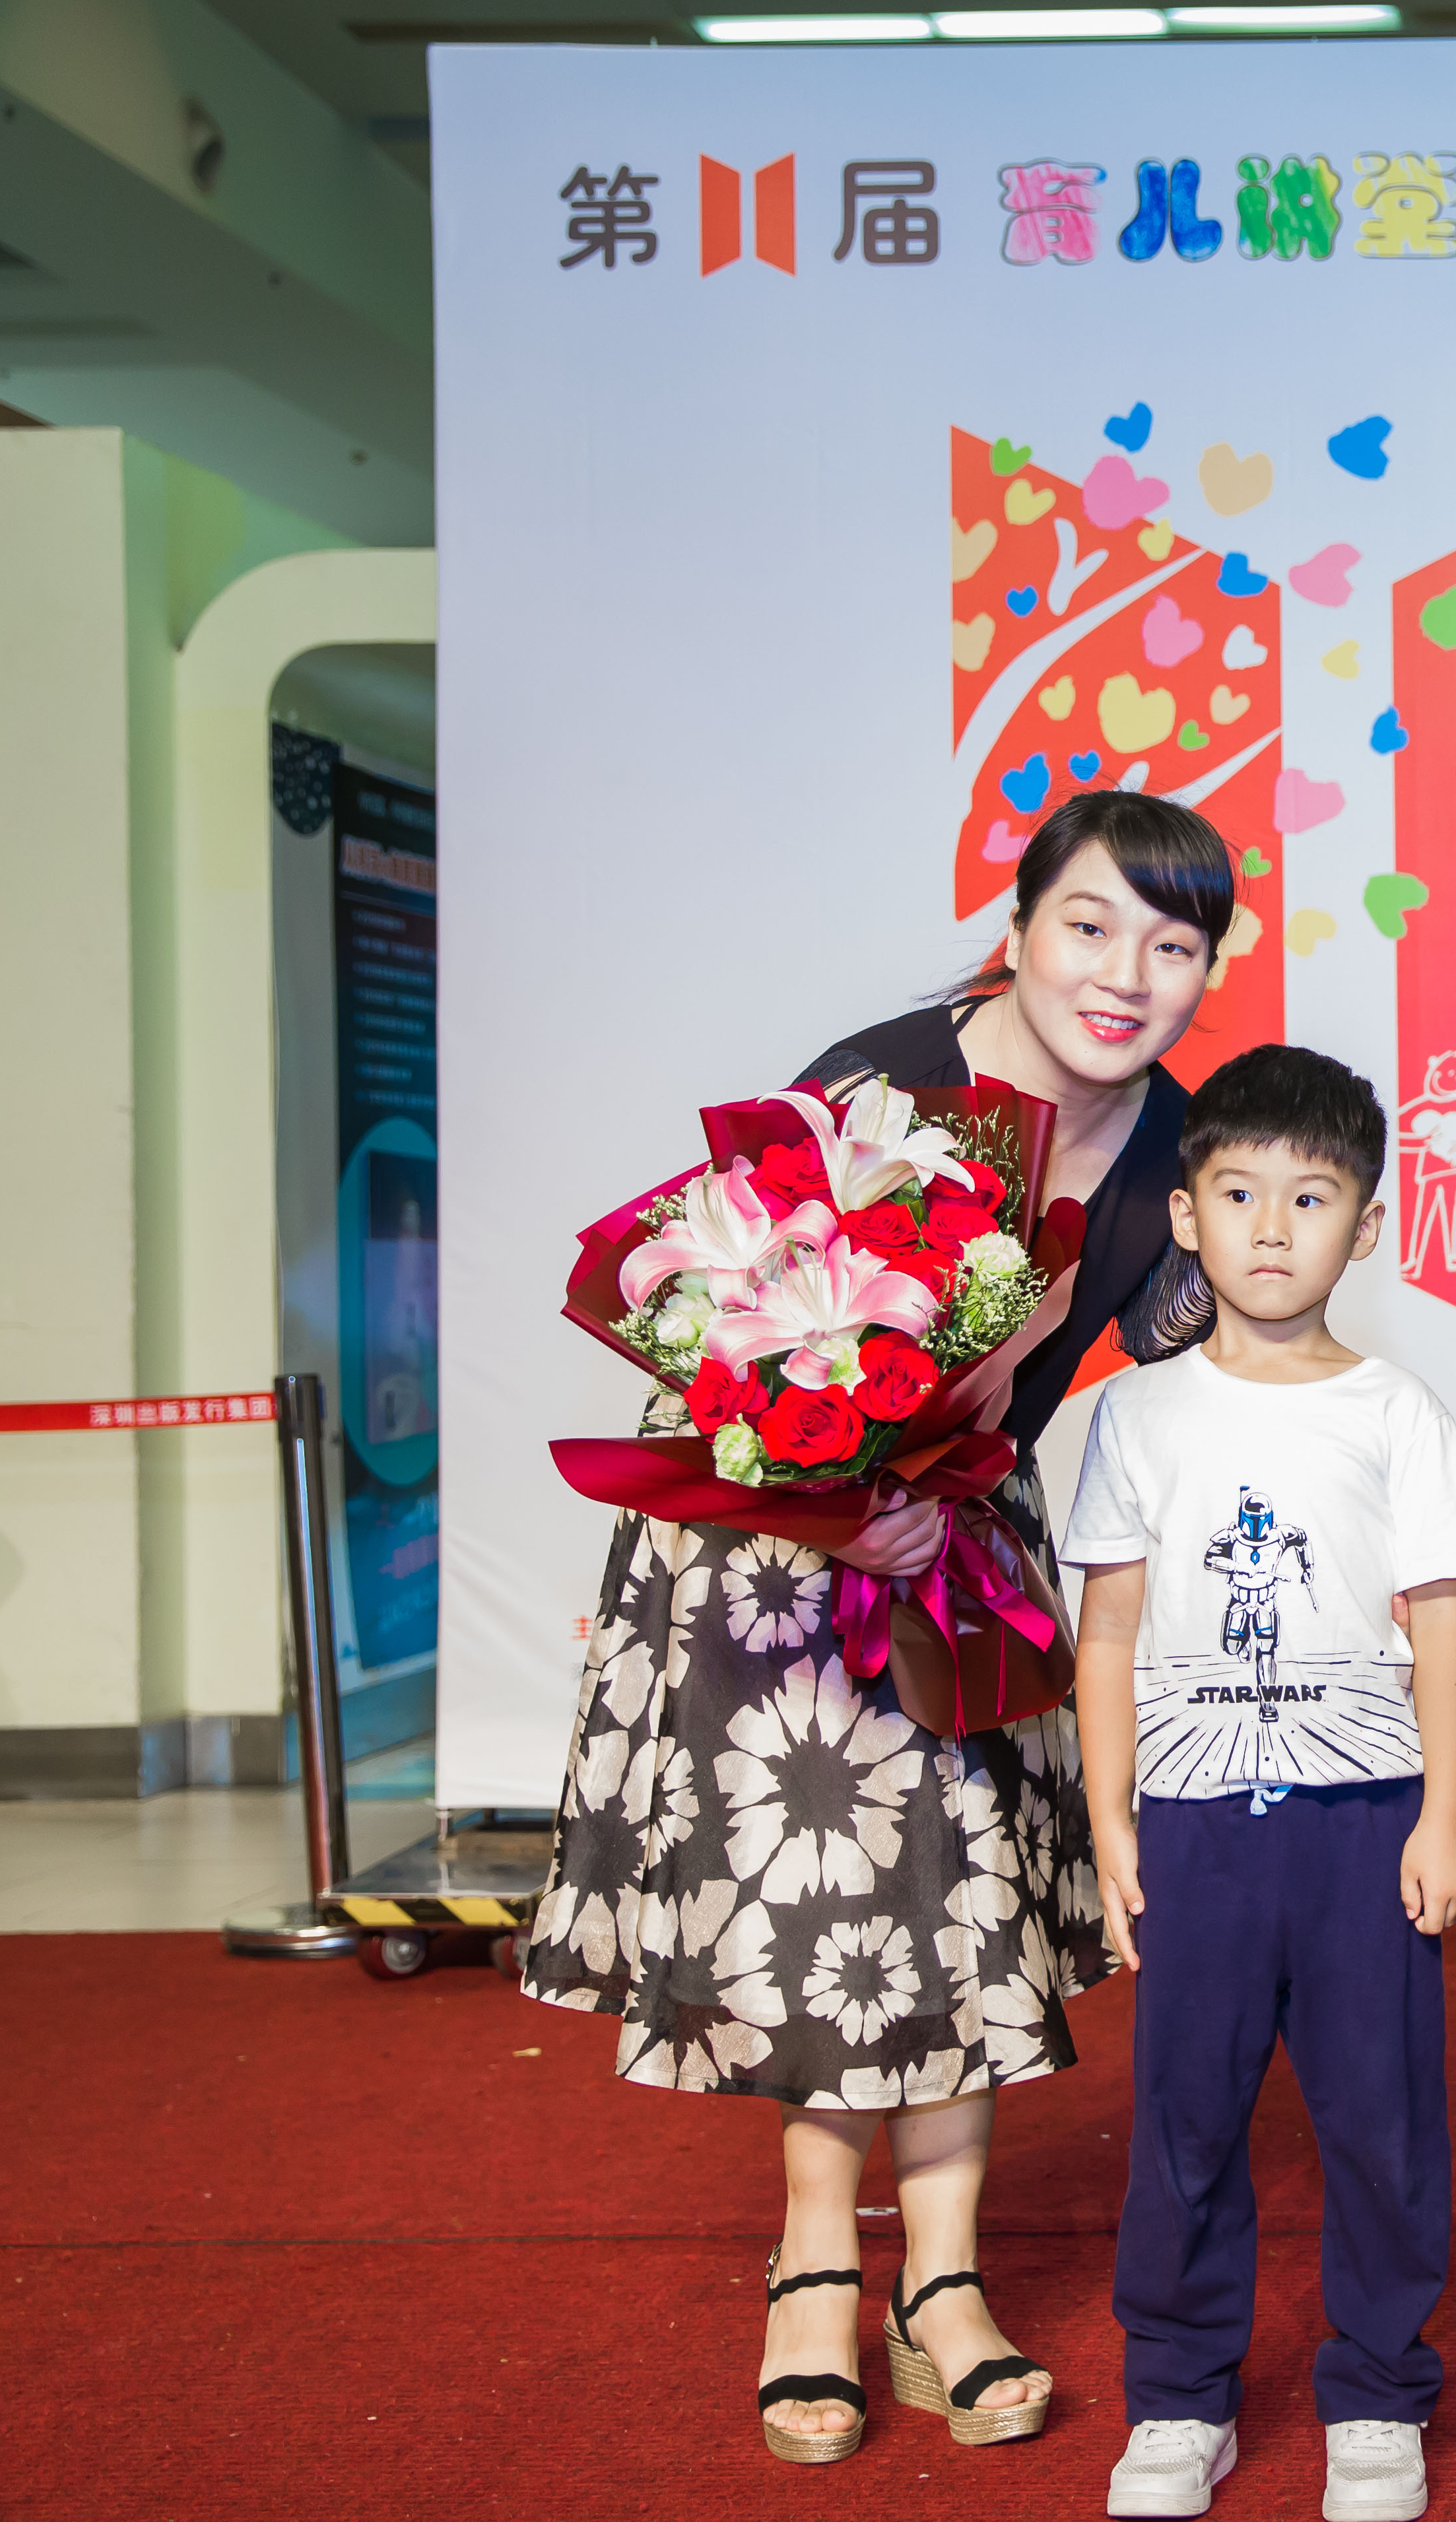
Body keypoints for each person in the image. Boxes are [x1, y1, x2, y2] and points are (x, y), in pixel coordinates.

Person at [521, 788, 1234, 2465]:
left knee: (954, 1902)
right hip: (770, 1534)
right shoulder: (881, 1086)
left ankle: (946, 2281)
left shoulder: (1176, 1152)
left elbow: (1204, 1356)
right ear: (1016, 928)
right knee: (821, 1904)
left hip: (961, 1532)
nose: (1125, 974)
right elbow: (718, 1315)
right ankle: (817, 2264)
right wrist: (833, 1503)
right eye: (1089, 926)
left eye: (1173, 945)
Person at [1067, 1044, 1456, 2522]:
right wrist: (1110, 1822)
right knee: (1184, 2119)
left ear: (1362, 1228)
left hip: (1364, 1822)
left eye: (1310, 1199)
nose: (1269, 1227)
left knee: (1382, 2119)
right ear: (1186, 1215)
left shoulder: (1398, 1411)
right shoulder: (1136, 1415)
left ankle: (1377, 2392)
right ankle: (1180, 2398)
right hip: (1193, 1827)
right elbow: (1107, 1635)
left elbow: (1444, 1624)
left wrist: (1445, 1818)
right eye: (1238, 1193)